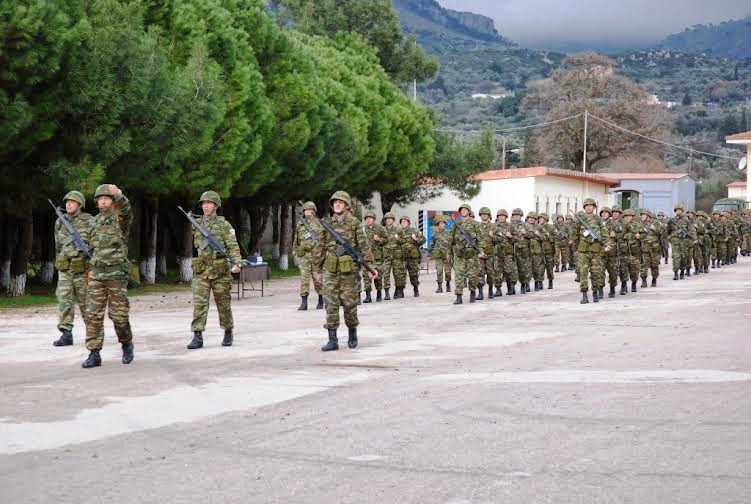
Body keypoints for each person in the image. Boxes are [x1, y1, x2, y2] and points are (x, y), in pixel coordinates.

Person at [313, 191, 375, 351]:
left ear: (347, 205)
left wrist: (370, 267)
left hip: (350, 272)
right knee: (330, 304)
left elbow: (364, 246)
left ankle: (352, 332)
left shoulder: (355, 223)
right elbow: (320, 247)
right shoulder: (327, 224)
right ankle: (332, 339)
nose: (337, 205)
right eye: (335, 202)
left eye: (340, 202)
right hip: (330, 270)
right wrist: (317, 270)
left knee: (349, 305)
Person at [82, 184, 134, 368]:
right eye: (100, 199)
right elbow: (90, 246)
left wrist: (119, 195)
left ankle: (126, 343)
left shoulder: (119, 219)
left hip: (116, 274)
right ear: (96, 202)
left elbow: (126, 211)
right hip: (97, 274)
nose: (103, 201)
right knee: (93, 314)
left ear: (112, 202)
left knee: (119, 316)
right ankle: (94, 353)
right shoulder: (93, 222)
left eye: (107, 198)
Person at [186, 191, 243, 350]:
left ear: (216, 206)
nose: (205, 206)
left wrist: (237, 262)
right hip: (201, 271)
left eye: (209, 203)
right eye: (203, 203)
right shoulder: (196, 224)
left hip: (220, 272)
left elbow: (232, 246)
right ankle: (197, 336)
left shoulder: (224, 225)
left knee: (223, 304)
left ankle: (228, 331)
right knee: (199, 305)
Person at [52, 191, 94, 347]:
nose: (68, 204)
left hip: (82, 270)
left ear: (80, 204)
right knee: (64, 302)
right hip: (65, 270)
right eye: (67, 202)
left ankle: (93, 334)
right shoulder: (60, 222)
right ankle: (66, 334)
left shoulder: (89, 221)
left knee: (86, 303)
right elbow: (57, 245)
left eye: (72, 202)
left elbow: (94, 243)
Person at [571, 198, 611, 304]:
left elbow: (605, 234)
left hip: (596, 250)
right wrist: (575, 249)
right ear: (584, 207)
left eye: (591, 205)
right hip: (583, 251)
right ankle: (584, 295)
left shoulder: (598, 219)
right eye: (587, 205)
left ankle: (595, 293)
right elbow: (574, 235)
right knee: (583, 273)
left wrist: (607, 245)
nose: (589, 207)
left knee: (595, 273)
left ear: (594, 207)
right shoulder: (579, 218)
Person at [448, 203, 483, 304]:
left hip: (471, 254)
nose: (463, 211)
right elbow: (451, 239)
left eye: (465, 210)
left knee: (472, 276)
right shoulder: (456, 223)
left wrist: (481, 251)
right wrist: (449, 253)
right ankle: (459, 297)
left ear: (469, 211)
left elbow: (481, 239)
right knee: (458, 276)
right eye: (461, 210)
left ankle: (472, 292)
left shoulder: (475, 223)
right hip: (459, 255)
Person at [293, 201, 324, 311]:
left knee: (317, 279)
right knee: (304, 279)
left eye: (310, 210)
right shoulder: (300, 224)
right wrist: (294, 250)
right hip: (304, 256)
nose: (308, 212)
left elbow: (323, 240)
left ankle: (321, 299)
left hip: (316, 256)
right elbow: (296, 239)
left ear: (314, 211)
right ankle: (304, 302)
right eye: (306, 210)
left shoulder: (319, 223)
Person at [362, 209, 387, 302]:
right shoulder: (363, 229)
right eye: (367, 218)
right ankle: (368, 296)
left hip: (377, 257)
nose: (368, 220)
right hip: (367, 256)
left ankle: (379, 294)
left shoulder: (380, 228)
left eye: (370, 218)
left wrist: (379, 239)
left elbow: (386, 240)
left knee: (378, 276)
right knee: (366, 275)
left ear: (374, 219)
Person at [398, 215, 426, 297]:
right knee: (401, 274)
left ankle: (416, 289)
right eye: (402, 222)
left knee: (413, 274)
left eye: (405, 221)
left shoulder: (415, 230)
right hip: (402, 257)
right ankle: (401, 291)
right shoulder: (398, 232)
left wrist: (416, 239)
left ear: (408, 222)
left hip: (413, 257)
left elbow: (423, 240)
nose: (403, 223)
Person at [492, 209, 517, 296]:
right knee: (497, 271)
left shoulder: (511, 226)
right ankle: (498, 289)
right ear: (497, 217)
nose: (501, 217)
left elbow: (516, 239)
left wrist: (511, 237)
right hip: (498, 252)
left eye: (503, 216)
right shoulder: (494, 226)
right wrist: (492, 236)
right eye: (499, 216)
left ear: (506, 217)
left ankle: (510, 287)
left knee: (508, 271)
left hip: (508, 253)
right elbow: (491, 240)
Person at [381, 212, 403, 300]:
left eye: (390, 219)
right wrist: (380, 239)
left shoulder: (398, 230)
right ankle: (387, 293)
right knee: (386, 274)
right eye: (387, 219)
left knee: (397, 274)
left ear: (393, 220)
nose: (389, 220)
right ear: (385, 221)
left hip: (396, 256)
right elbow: (380, 242)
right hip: (386, 256)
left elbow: (404, 242)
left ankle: (397, 291)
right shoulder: (382, 230)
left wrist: (399, 239)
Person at [428, 215, 452, 293]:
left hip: (447, 255)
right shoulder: (435, 234)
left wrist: (451, 254)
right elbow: (432, 244)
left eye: (442, 223)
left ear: (445, 224)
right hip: (438, 254)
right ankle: (440, 287)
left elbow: (452, 244)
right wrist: (429, 253)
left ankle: (448, 284)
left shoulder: (449, 234)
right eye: (440, 224)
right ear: (438, 225)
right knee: (439, 270)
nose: (441, 225)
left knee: (448, 271)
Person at [476, 207, 495, 299]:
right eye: (482, 214)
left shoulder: (493, 226)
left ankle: (490, 290)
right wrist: (477, 252)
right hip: (480, 253)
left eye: (486, 214)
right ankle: (480, 292)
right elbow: (473, 240)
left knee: (490, 273)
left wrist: (493, 236)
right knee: (480, 273)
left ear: (489, 215)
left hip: (490, 254)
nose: (484, 215)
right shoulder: (477, 226)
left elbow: (500, 240)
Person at [511, 208, 532, 294]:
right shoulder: (510, 225)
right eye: (515, 215)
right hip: (512, 250)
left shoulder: (526, 225)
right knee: (512, 269)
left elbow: (532, 235)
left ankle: (523, 285)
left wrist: (525, 233)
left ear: (521, 216)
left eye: (518, 215)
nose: (516, 217)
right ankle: (512, 287)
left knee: (523, 269)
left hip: (523, 250)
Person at [638, 209, 661, 287]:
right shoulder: (639, 224)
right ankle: (644, 281)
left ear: (648, 216)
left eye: (643, 215)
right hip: (645, 248)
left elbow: (663, 233)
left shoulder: (655, 223)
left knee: (654, 265)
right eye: (641, 215)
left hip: (655, 249)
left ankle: (654, 279)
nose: (642, 216)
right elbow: (637, 235)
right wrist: (639, 236)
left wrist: (655, 229)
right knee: (644, 265)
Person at [537, 213, 555, 289]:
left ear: (545, 219)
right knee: (540, 267)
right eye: (539, 218)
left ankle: (550, 281)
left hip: (548, 250)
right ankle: (540, 282)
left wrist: (548, 236)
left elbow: (556, 237)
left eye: (542, 218)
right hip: (539, 250)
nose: (540, 220)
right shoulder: (537, 227)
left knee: (549, 267)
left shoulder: (551, 227)